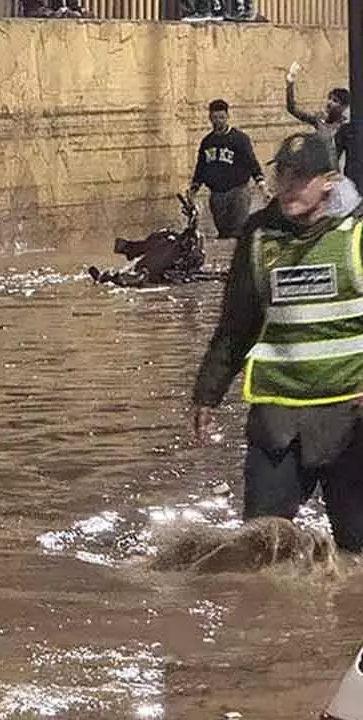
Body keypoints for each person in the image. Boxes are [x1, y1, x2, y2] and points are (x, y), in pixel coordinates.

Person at [192, 132, 363, 552]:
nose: (286, 186)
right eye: (282, 173)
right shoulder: (259, 236)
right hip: (278, 420)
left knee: (356, 551)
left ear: (328, 180)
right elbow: (237, 323)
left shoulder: (357, 234)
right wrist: (207, 394)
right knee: (260, 547)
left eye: (299, 177)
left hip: (352, 418)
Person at [188, 99, 269, 241]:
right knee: (224, 232)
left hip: (238, 192)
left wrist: (262, 186)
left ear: (227, 117)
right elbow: (201, 167)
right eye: (214, 118)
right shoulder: (207, 142)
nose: (218, 121)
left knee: (238, 231)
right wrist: (193, 189)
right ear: (209, 118)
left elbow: (252, 163)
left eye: (221, 117)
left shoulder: (240, 139)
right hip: (217, 194)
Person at [285, 61, 351, 164]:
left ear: (343, 107)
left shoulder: (345, 127)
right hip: (316, 169)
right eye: (329, 98)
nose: (329, 103)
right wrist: (290, 83)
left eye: (335, 101)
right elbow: (292, 109)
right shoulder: (319, 119)